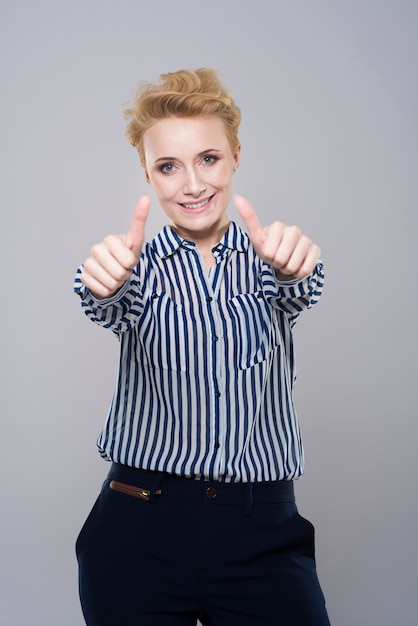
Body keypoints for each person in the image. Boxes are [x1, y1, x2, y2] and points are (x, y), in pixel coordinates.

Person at [74, 68, 331, 626]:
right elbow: (107, 303)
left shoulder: (272, 257)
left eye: (208, 159)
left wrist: (291, 268)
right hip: (138, 525)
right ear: (148, 174)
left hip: (261, 526)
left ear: (236, 155)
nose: (192, 184)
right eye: (168, 167)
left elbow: (298, 288)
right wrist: (105, 281)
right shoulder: (132, 268)